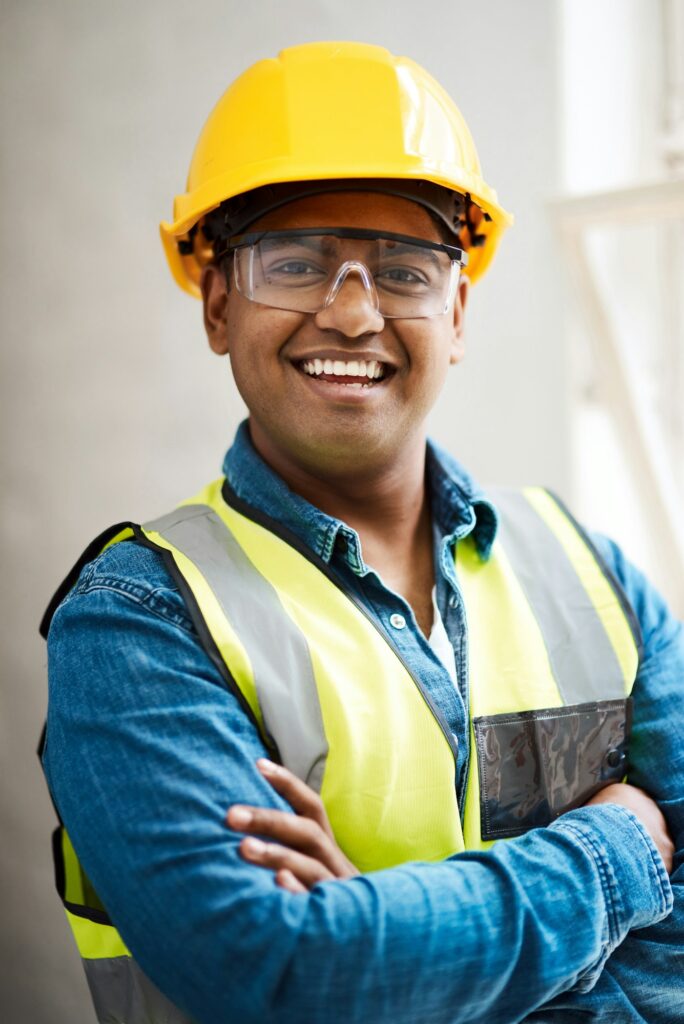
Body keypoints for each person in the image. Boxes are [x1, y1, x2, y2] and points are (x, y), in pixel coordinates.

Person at [40, 42, 683, 1024]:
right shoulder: (139, 622)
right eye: (293, 263)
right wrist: (622, 847)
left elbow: (351, 976)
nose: (350, 312)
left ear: (456, 311)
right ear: (218, 301)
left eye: (403, 268)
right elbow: (290, 977)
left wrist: (384, 937)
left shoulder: (594, 573)